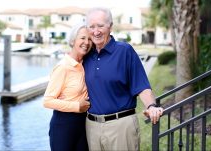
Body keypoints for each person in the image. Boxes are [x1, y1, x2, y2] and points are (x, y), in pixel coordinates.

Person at [83, 7, 164, 151]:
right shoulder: (86, 54)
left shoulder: (124, 51)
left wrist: (151, 106)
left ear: (110, 27)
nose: (96, 31)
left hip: (121, 126)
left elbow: (141, 85)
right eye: (92, 27)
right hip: (92, 127)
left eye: (101, 26)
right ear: (87, 29)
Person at [43, 22, 92, 151]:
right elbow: (47, 101)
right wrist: (77, 106)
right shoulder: (63, 67)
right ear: (72, 40)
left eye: (89, 39)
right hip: (63, 126)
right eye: (82, 38)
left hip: (83, 125)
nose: (86, 42)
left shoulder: (87, 64)